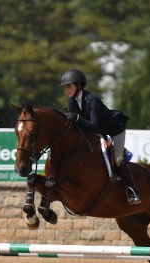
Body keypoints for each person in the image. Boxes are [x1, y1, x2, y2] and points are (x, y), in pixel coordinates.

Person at [59, 69, 141, 205]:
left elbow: (94, 126)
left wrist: (77, 118)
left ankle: (132, 190)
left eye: (69, 86)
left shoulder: (93, 100)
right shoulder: (72, 101)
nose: (66, 89)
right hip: (99, 131)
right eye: (65, 87)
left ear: (78, 85)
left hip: (114, 129)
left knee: (119, 159)